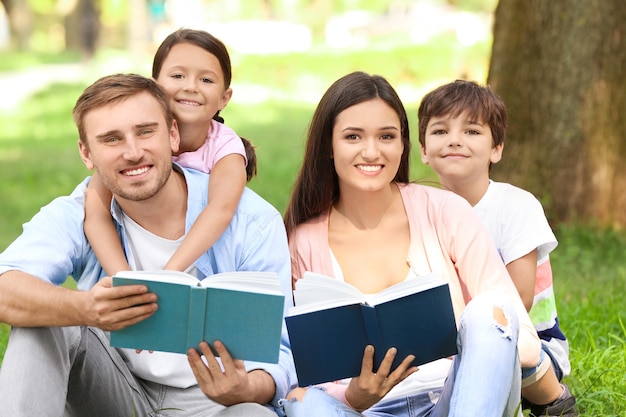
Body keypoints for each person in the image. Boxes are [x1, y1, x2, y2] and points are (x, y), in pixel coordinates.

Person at [0, 73, 296, 417]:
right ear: (87, 153)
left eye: (145, 131)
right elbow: (6, 284)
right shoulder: (79, 211)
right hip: (113, 388)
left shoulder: (253, 221)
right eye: (111, 139)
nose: (133, 152)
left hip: (213, 404)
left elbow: (285, 352)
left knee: (255, 415)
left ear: (172, 134)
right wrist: (86, 309)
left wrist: (246, 388)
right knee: (46, 320)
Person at [279, 71, 541, 417]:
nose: (371, 152)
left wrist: (466, 345)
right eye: (353, 136)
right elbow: (298, 369)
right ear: (328, 145)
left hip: (454, 399)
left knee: (489, 307)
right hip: (363, 411)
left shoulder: (446, 211)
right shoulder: (303, 241)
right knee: (303, 404)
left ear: (403, 144)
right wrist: (356, 396)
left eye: (386, 136)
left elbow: (522, 340)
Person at [418, 79, 577, 417]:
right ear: (423, 149)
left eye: (472, 131)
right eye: (441, 131)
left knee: (495, 356)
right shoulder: (417, 210)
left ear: (496, 149)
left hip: (528, 341)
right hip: (443, 348)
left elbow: (518, 300)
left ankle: (553, 401)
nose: (455, 140)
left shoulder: (516, 206)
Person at [84, 28, 256, 276]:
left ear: (224, 98)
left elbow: (221, 209)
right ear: (154, 87)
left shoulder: (225, 148)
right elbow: (96, 216)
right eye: (178, 75)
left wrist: (168, 274)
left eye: (206, 80)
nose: (191, 87)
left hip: (198, 263)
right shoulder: (130, 149)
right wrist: (123, 279)